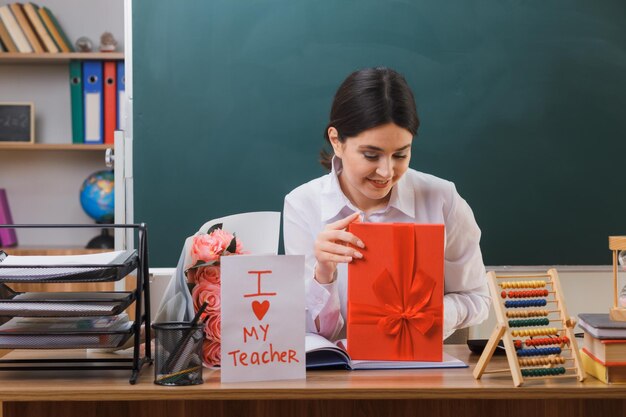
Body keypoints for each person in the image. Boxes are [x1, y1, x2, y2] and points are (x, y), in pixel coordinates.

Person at [283, 67, 490, 341]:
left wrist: (428, 313)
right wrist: (324, 273)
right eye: (371, 155)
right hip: (335, 376)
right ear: (337, 141)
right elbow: (315, 334)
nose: (386, 172)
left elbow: (476, 299)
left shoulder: (442, 199)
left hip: (420, 370)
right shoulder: (303, 204)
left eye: (401, 155)